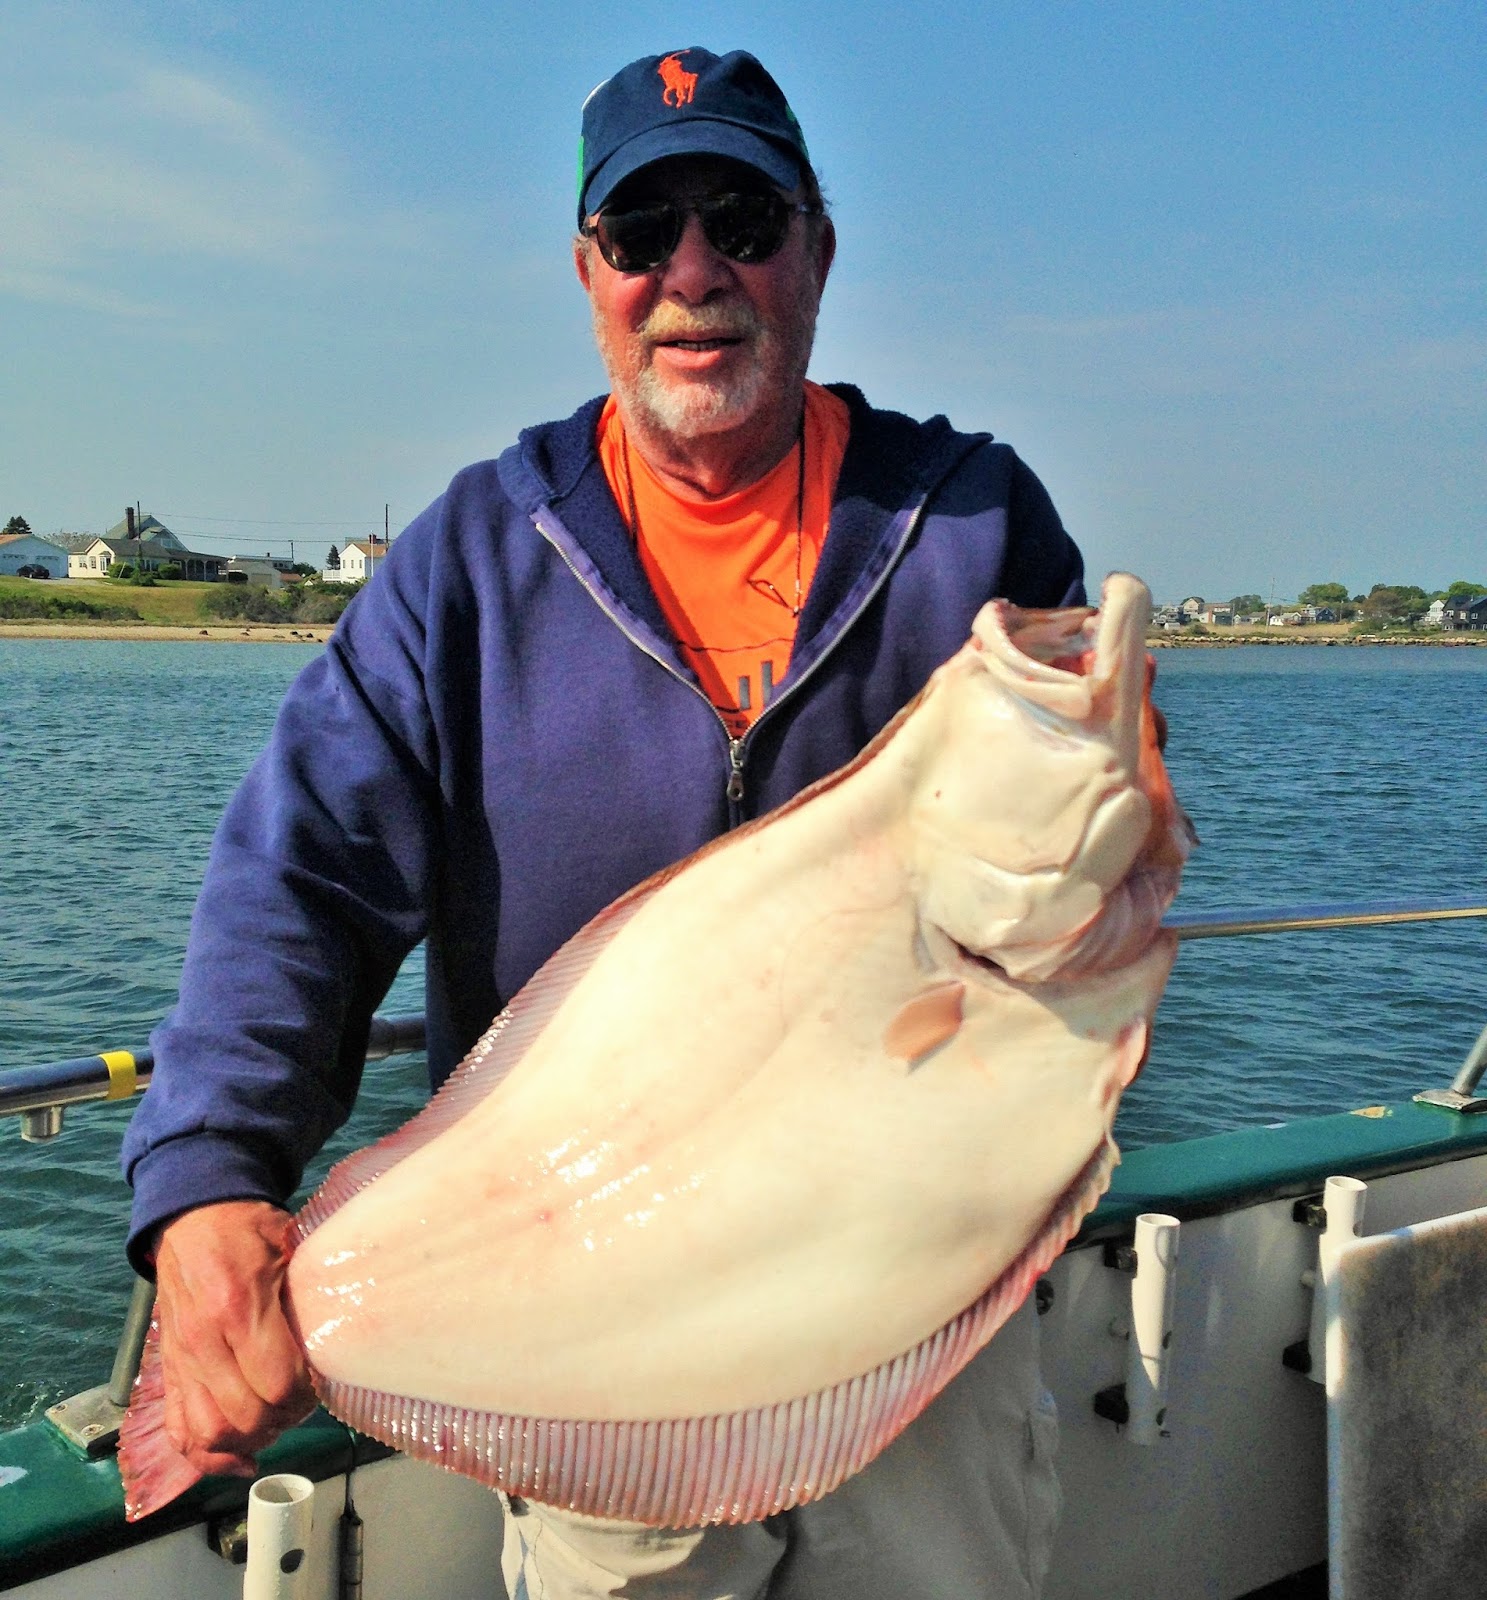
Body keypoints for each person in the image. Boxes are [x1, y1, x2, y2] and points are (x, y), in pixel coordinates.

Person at [122, 46, 1085, 1600]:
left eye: (743, 219)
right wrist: (213, 1180)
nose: (693, 272)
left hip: (917, 1334)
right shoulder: (471, 563)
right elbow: (302, 872)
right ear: (589, 276)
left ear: (819, 250)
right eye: (643, 235)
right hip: (599, 1341)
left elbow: (1076, 871)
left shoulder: (967, 528)